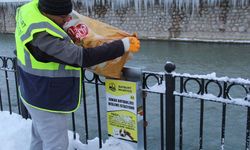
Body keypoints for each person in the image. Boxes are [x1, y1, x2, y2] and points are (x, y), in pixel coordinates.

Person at [15, 0, 140, 149]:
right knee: (56, 145)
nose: (66, 20)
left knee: (39, 139)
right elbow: (82, 57)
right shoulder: (42, 37)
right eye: (62, 17)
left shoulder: (32, 9)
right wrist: (122, 45)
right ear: (48, 13)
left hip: (32, 89)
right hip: (46, 99)